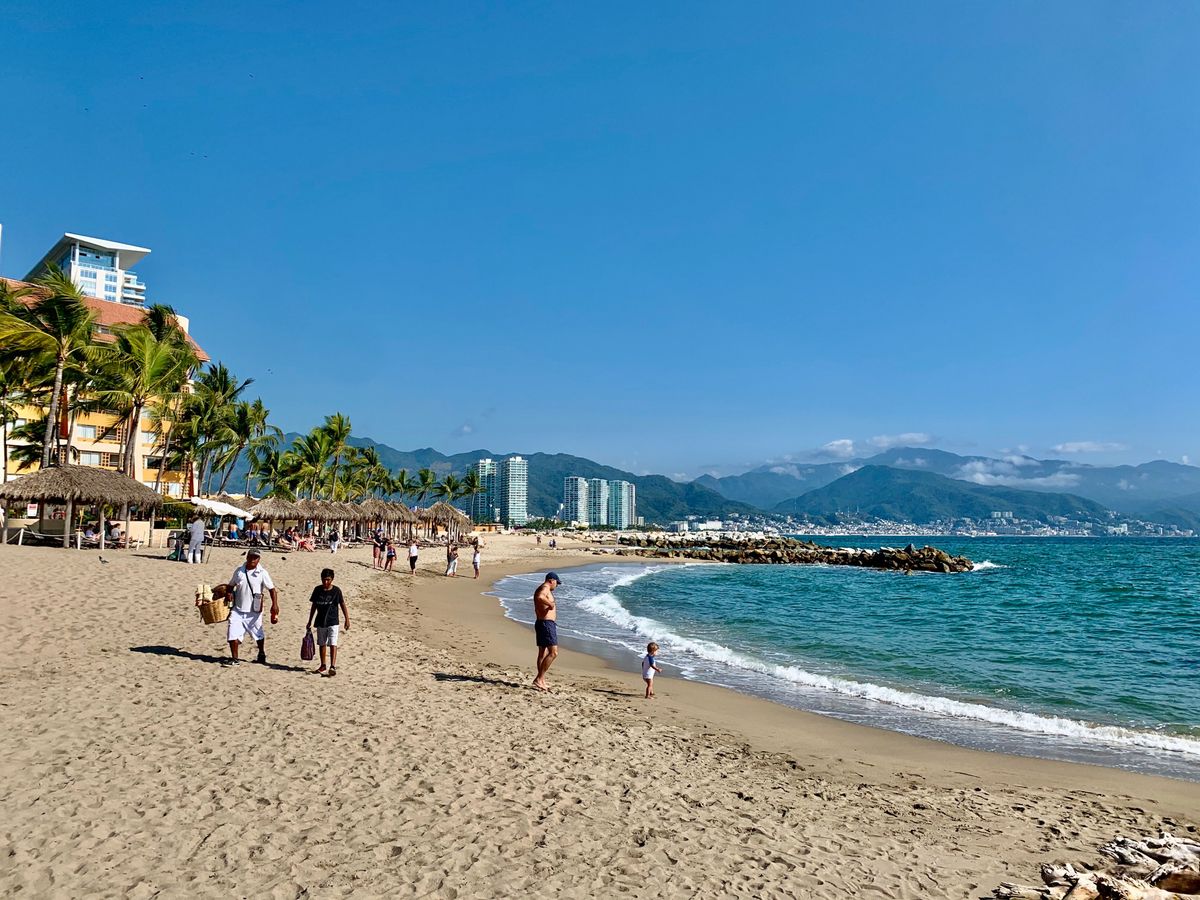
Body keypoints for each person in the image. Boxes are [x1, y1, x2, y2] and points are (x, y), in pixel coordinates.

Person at [225, 549, 279, 666]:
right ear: (247, 557)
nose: (253, 560)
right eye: (251, 557)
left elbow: (272, 589)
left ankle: (261, 653)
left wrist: (274, 605)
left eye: (256, 558)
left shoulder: (262, 573)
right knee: (232, 633)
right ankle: (235, 659)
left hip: (254, 610)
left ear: (259, 559)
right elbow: (230, 585)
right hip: (238, 609)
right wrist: (229, 593)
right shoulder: (239, 571)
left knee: (258, 634)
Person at [306, 567, 349, 676]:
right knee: (322, 643)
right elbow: (314, 606)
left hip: (333, 621)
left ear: (332, 579)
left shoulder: (336, 591)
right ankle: (323, 665)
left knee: (333, 643)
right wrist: (309, 621)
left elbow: (342, 604)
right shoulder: (317, 590)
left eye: (328, 580)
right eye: (324, 579)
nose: (326, 582)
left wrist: (347, 619)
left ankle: (332, 666)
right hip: (320, 621)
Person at [532, 572, 562, 692]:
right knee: (553, 653)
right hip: (546, 624)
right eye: (557, 583)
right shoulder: (545, 588)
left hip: (542, 623)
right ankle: (539, 679)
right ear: (551, 580)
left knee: (542, 653)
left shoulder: (543, 587)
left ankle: (541, 680)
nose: (557, 586)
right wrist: (550, 604)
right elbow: (540, 597)